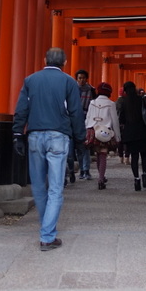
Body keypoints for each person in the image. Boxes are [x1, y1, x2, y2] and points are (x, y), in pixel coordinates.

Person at [12, 47, 86, 251]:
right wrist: (80, 139)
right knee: (55, 188)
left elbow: (21, 109)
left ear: (44, 59)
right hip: (58, 136)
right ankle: (47, 234)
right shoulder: (69, 82)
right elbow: (75, 112)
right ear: (65, 62)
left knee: (37, 185)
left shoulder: (30, 80)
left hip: (35, 135)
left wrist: (18, 134)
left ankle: (47, 226)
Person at [116, 81, 146, 191]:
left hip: (130, 132)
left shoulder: (124, 102)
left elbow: (121, 118)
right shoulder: (142, 99)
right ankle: (145, 174)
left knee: (134, 156)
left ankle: (136, 179)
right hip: (143, 131)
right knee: (144, 155)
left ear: (125, 90)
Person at [84, 81, 120, 189]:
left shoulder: (92, 103)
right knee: (103, 154)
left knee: (98, 153)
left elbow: (88, 118)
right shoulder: (111, 104)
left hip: (93, 130)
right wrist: (118, 136)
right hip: (105, 131)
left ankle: (101, 176)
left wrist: (86, 131)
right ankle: (101, 178)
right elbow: (115, 121)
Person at [75, 69, 96, 180]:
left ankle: (86, 170)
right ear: (76, 79)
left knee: (86, 145)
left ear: (86, 79)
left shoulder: (91, 90)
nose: (82, 80)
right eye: (79, 78)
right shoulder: (73, 89)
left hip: (88, 119)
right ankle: (82, 170)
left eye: (83, 78)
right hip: (75, 119)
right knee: (78, 146)